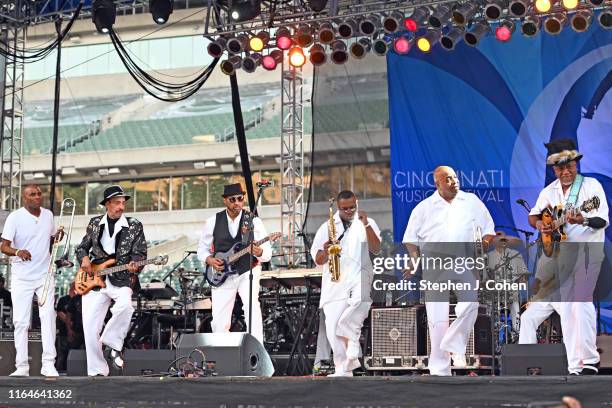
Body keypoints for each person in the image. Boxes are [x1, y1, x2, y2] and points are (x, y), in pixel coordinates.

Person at [519, 139, 608, 375]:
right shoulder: (549, 192)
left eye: (570, 166)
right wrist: (541, 224)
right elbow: (533, 216)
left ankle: (589, 361)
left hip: (587, 252)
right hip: (562, 256)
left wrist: (583, 219)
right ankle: (575, 365)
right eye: (560, 168)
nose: (566, 171)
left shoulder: (591, 187)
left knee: (582, 302)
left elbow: (602, 220)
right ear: (554, 170)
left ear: (576, 165)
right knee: (569, 309)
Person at [402, 166, 495, 376]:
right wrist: (414, 259)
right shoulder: (424, 207)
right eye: (448, 179)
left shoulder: (471, 202)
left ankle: (455, 344)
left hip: (465, 261)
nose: (454, 182)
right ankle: (439, 370)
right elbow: (410, 239)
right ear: (437, 184)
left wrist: (481, 249)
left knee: (471, 303)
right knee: (437, 317)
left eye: (455, 178)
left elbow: (489, 231)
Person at [76, 185, 147, 376]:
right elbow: (82, 247)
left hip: (122, 277)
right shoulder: (94, 223)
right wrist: (83, 258)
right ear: (107, 204)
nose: (121, 206)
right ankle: (97, 371)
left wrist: (136, 264)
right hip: (94, 278)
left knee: (125, 306)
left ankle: (112, 343)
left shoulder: (134, 225)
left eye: (123, 203)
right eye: (117, 203)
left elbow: (140, 253)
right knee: (90, 328)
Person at [311, 190, 381, 377]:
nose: (349, 211)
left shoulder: (368, 222)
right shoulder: (326, 227)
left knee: (358, 306)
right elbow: (318, 259)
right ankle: (344, 369)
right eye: (345, 208)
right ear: (338, 208)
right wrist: (326, 251)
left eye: (352, 207)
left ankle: (351, 343)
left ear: (356, 202)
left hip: (360, 277)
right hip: (335, 284)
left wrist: (366, 224)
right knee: (333, 329)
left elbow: (376, 248)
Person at [0, 184, 63, 377]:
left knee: (48, 317)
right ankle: (22, 367)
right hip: (22, 277)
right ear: (24, 199)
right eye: (32, 195)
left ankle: (48, 363)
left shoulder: (48, 215)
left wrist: (58, 237)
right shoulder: (15, 217)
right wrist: (19, 251)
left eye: (39, 193)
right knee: (21, 321)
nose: (37, 197)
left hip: (44, 275)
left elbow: (51, 240)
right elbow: (4, 247)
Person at [197, 183, 271, 344]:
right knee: (219, 318)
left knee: (252, 309)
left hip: (247, 271)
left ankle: (256, 349)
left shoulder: (253, 221)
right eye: (233, 199)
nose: (237, 202)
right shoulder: (213, 221)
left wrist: (260, 252)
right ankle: (221, 352)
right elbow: (201, 250)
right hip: (222, 273)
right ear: (225, 200)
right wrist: (210, 260)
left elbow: (267, 253)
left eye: (240, 198)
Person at [55, 282, 84, 372]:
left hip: (83, 331)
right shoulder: (65, 300)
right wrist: (69, 328)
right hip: (70, 331)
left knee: (83, 353)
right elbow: (63, 314)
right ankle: (62, 371)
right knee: (64, 353)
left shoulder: (86, 298)